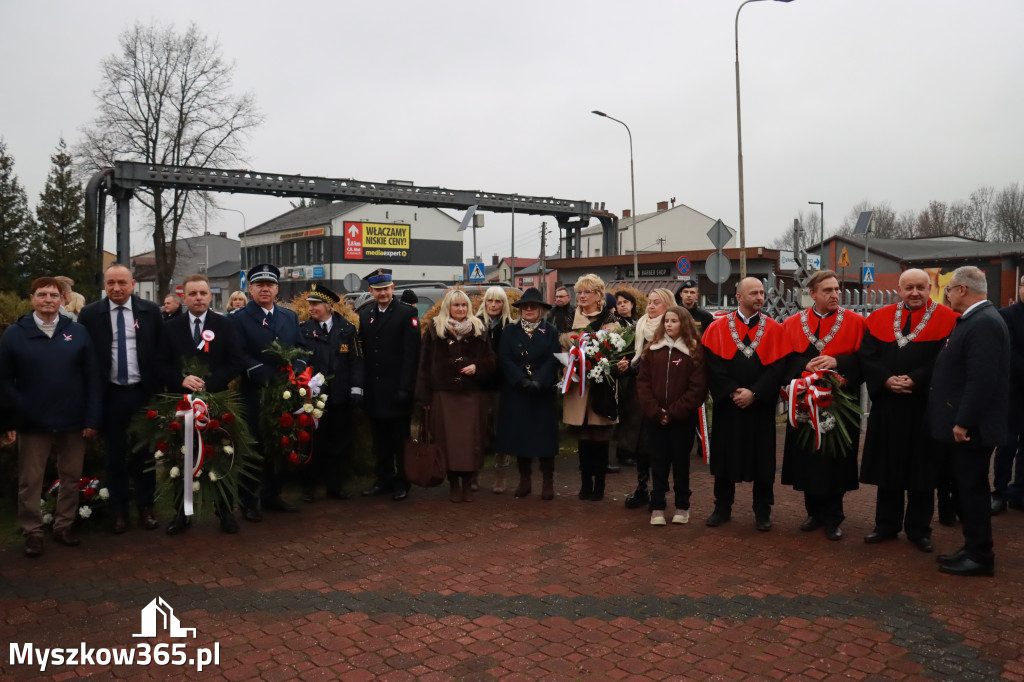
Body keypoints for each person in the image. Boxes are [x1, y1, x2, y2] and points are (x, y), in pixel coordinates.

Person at [0, 277, 101, 558]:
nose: (48, 299)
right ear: (31, 298)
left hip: (73, 419)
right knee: (30, 479)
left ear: (63, 300)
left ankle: (63, 525)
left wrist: (92, 418)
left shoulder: (78, 332)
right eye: (42, 294)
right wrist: (12, 417)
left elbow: (92, 377)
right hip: (33, 422)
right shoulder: (15, 334)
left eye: (54, 295)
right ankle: (32, 531)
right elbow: (4, 380)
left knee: (71, 476)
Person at [859, 269, 958, 552]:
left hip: (924, 406)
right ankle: (885, 525)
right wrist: (886, 380)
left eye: (921, 287)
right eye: (909, 288)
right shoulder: (878, 318)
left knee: (922, 469)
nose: (915, 293)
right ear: (899, 290)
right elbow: (868, 355)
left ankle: (919, 529)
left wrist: (916, 379)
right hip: (889, 405)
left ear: (930, 289)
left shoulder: (949, 320)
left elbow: (944, 360)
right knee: (888, 468)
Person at [929, 266, 1010, 577]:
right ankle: (973, 546)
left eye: (948, 289)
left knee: (973, 491)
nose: (946, 294)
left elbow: (981, 381)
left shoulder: (984, 323)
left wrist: (963, 422)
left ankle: (980, 556)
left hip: (973, 429)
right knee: (967, 488)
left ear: (962, 289)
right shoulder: (976, 319)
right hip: (968, 425)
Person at [78, 263, 166, 534]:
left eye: (121, 283)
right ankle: (119, 511)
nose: (116, 288)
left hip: (142, 394)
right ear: (104, 285)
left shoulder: (150, 312)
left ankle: (146, 507)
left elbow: (161, 353)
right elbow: (83, 357)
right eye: (110, 283)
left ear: (133, 284)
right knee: (114, 456)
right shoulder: (91, 314)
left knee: (145, 454)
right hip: (110, 394)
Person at [780, 269, 866, 541]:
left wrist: (837, 362)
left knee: (836, 458)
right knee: (809, 457)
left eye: (837, 289)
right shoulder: (792, 323)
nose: (834, 294)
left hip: (841, 403)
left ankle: (833, 516)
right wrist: (803, 364)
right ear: (812, 294)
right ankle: (813, 512)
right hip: (806, 403)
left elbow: (867, 361)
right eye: (828, 290)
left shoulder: (855, 322)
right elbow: (782, 361)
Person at [702, 277, 791, 531]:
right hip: (728, 407)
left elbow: (777, 367)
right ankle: (722, 507)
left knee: (762, 460)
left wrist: (755, 393)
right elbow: (713, 366)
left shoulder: (774, 328)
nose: (760, 297)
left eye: (762, 293)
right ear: (739, 297)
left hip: (760, 408)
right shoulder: (718, 328)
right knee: (725, 457)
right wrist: (732, 392)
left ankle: (762, 511)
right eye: (754, 293)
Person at [160, 274, 245, 535]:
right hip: (181, 403)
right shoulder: (169, 328)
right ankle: (182, 513)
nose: (198, 297)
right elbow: (159, 364)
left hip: (216, 401)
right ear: (183, 298)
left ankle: (224, 511)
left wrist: (209, 383)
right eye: (193, 294)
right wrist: (181, 379)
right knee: (180, 456)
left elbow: (235, 361)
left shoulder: (225, 325)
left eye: (203, 293)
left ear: (210, 296)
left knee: (220, 456)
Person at [231, 263, 309, 519]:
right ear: (250, 288)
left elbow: (300, 347)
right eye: (259, 285)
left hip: (283, 394)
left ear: (277, 288)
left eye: (270, 285)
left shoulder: (289, 317)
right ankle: (248, 500)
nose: (265, 289)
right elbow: (237, 353)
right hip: (255, 392)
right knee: (255, 446)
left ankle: (272, 495)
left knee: (280, 443)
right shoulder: (239, 318)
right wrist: (259, 372)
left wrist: (296, 369)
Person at [416, 289, 495, 502]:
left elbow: (491, 361)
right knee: (447, 442)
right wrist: (423, 398)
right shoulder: (434, 329)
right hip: (443, 395)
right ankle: (453, 484)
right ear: (447, 307)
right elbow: (424, 365)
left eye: (464, 305)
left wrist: (477, 367)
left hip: (471, 395)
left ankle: (468, 483)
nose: (460, 309)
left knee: (470, 443)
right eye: (456, 305)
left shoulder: (479, 328)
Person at [636, 306, 708, 526]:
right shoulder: (652, 350)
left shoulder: (694, 351)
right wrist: (657, 412)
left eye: (674, 321)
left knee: (680, 464)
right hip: (656, 419)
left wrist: (674, 412)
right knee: (657, 462)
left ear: (683, 323)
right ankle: (657, 505)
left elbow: (697, 388)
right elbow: (643, 384)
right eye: (666, 321)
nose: (668, 324)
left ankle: (682, 506)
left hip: (681, 420)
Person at [358, 268, 421, 501]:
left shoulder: (406, 314)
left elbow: (411, 354)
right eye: (378, 289)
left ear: (393, 288)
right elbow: (362, 353)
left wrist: (406, 387)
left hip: (397, 391)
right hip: (374, 391)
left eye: (386, 288)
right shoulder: (365, 315)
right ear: (371, 291)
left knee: (399, 441)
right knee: (380, 442)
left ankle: (402, 482)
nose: (382, 293)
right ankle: (383, 480)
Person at [298, 283, 364, 503]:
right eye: (310, 304)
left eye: (315, 304)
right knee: (313, 443)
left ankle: (335, 486)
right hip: (314, 399)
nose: (311, 308)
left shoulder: (347, 329)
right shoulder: (304, 330)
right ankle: (309, 487)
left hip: (340, 396)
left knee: (339, 442)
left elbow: (355, 361)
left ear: (328, 306)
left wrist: (356, 389)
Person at [497, 288, 561, 499]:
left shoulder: (550, 331)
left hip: (542, 392)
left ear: (541, 309)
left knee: (545, 438)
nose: (529, 309)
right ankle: (525, 480)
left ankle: (548, 481)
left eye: (534, 306)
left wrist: (539, 381)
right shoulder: (510, 331)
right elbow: (504, 358)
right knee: (520, 436)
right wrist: (521, 380)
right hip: (518, 391)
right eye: (525, 306)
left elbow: (554, 359)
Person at [561, 274, 619, 501]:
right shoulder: (568, 319)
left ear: (598, 295)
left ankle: (600, 484)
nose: (582, 296)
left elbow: (615, 352)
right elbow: (563, 348)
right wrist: (566, 367)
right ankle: (586, 482)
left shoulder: (610, 320)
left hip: (601, 385)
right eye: (579, 293)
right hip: (578, 386)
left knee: (600, 433)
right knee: (583, 434)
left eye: (587, 292)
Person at [618, 288, 675, 509]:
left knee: (656, 445)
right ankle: (642, 488)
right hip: (637, 394)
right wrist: (623, 364)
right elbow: (634, 356)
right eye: (649, 302)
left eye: (656, 303)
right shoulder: (639, 326)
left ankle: (658, 491)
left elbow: (653, 360)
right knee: (640, 444)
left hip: (660, 393)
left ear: (667, 305)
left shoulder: (670, 328)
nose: (650, 307)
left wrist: (632, 368)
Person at [476, 286, 515, 494]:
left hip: (502, 387)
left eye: (498, 301)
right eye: (490, 300)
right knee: (477, 431)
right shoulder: (474, 324)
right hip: (479, 386)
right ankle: (473, 473)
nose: (493, 305)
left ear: (503, 304)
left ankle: (501, 475)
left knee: (502, 431)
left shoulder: (510, 326)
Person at [991, 275, 1024, 514]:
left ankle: (1019, 492)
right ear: (1020, 288)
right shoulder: (1006, 315)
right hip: (1012, 393)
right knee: (1007, 444)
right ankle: (1000, 493)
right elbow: (1008, 353)